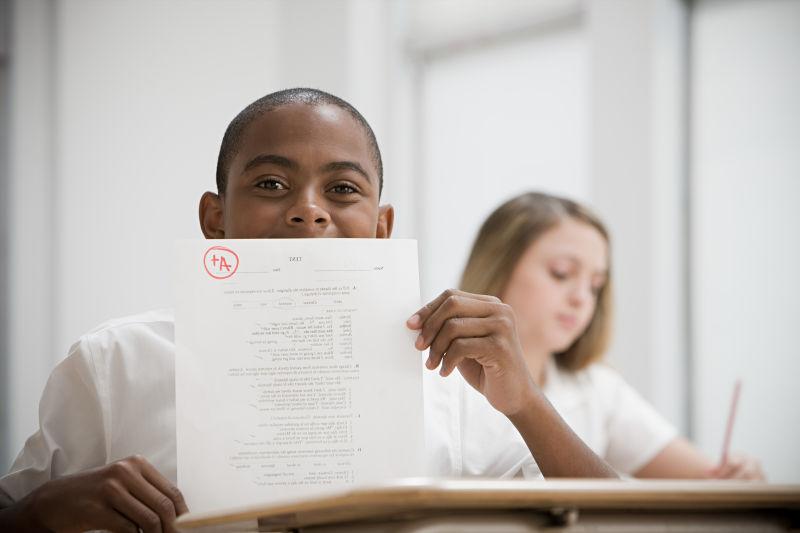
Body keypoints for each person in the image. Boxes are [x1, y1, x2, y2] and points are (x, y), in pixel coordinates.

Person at [0, 89, 616, 533]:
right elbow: (17, 512)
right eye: (271, 184)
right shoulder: (115, 364)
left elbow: (614, 526)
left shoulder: (448, 382)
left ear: (381, 228)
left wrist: (526, 404)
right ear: (215, 220)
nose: (308, 211)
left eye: (343, 189)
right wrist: (35, 514)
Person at [454, 191, 765, 480]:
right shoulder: (434, 383)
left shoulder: (596, 388)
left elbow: (709, 481)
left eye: (595, 286)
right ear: (497, 266)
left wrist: (740, 476)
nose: (581, 298)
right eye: (561, 273)